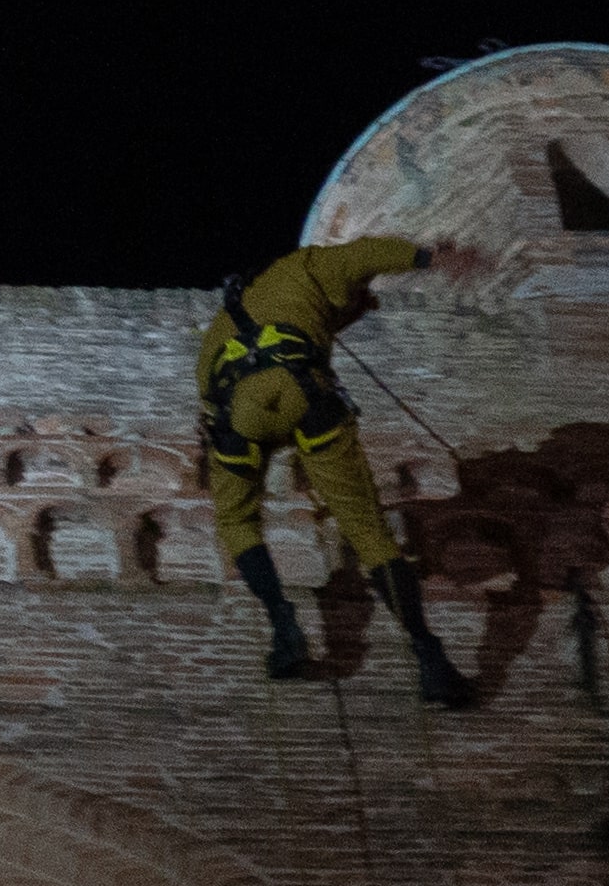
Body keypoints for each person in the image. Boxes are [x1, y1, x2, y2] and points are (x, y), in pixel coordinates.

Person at [199, 235, 482, 705]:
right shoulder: (303, 267)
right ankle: (429, 656)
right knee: (367, 532)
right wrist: (431, 258)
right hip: (306, 398)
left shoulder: (215, 333)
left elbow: (209, 404)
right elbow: (364, 255)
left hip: (236, 417)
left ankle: (283, 624)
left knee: (235, 520)